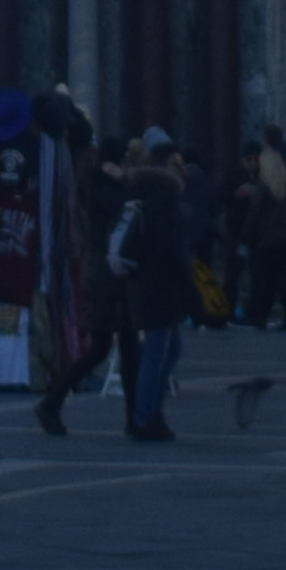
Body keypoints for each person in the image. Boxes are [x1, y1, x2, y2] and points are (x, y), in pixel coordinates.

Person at [99, 130, 197, 439]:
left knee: (165, 347)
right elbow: (166, 244)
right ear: (167, 163)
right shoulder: (164, 194)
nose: (182, 168)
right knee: (159, 347)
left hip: (142, 281)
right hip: (159, 282)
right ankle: (145, 416)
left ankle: (147, 412)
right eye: (178, 161)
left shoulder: (139, 188)